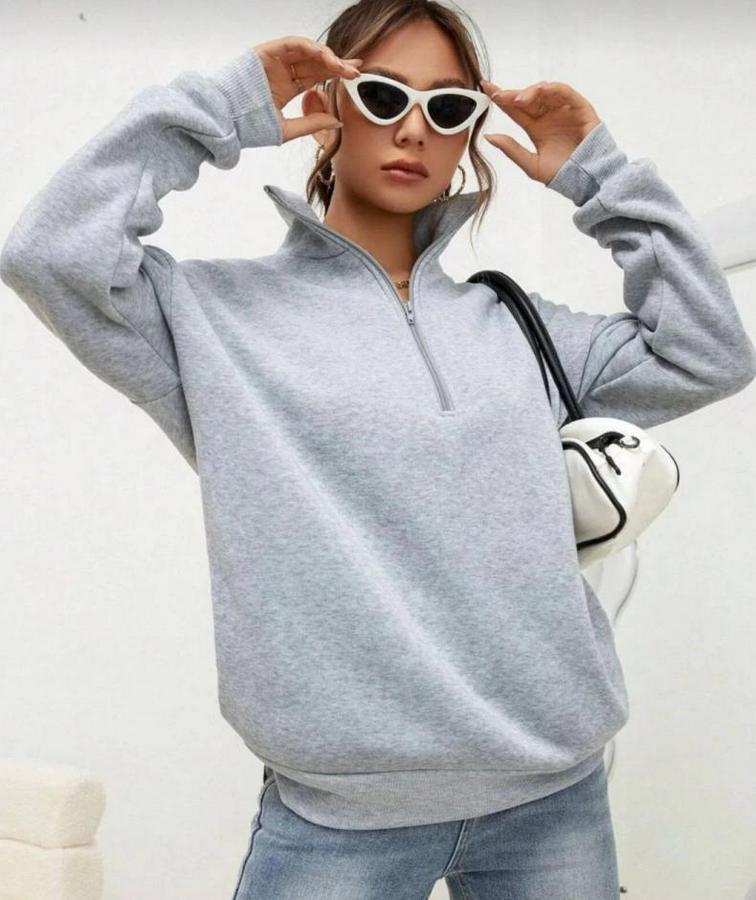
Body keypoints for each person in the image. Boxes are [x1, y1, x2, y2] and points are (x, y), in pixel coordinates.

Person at [2, 0, 755, 897]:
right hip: (338, 822)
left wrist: (600, 176)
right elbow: (52, 253)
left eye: (447, 107)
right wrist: (224, 107)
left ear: (467, 134)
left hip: (554, 799)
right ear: (329, 104)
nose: (412, 128)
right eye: (383, 95)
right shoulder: (210, 318)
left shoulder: (519, 325)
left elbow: (709, 351)